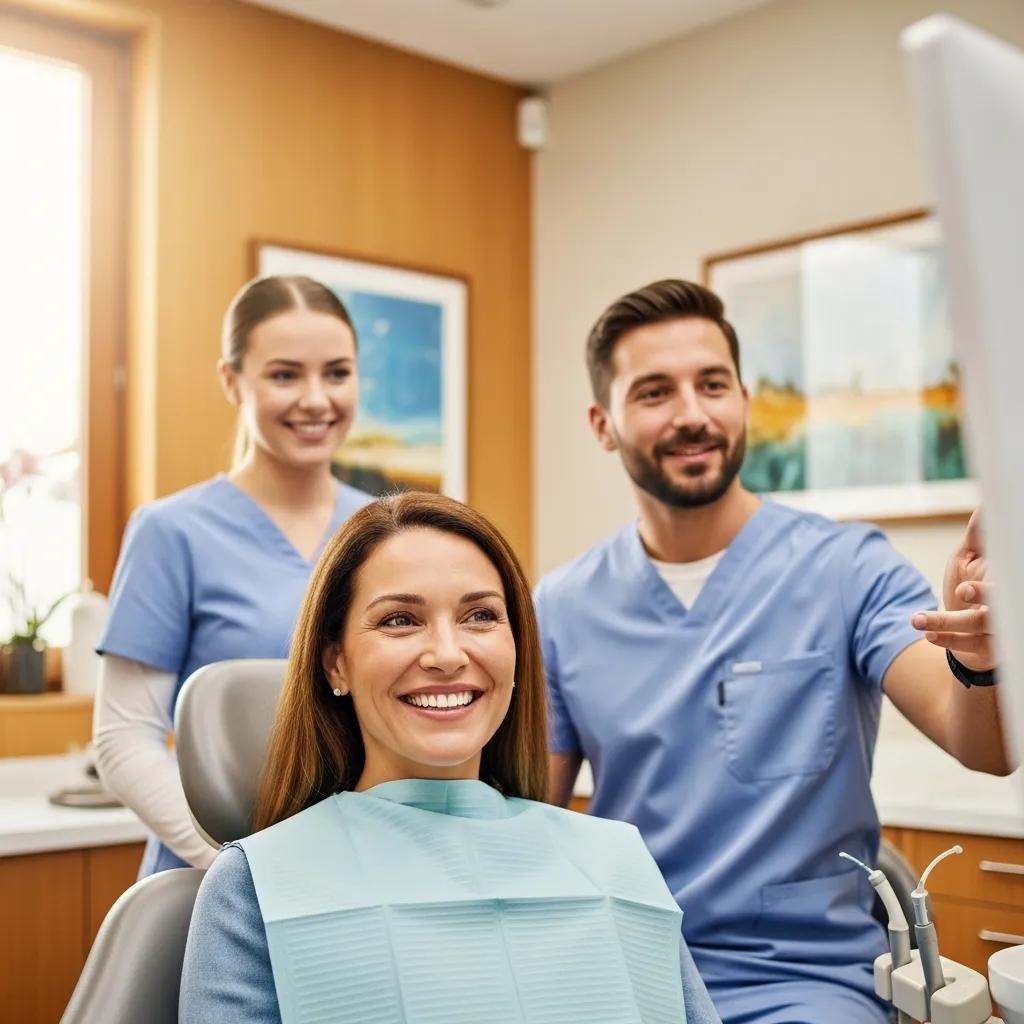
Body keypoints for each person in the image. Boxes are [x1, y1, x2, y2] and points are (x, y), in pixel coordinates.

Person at [534, 279, 1012, 1024]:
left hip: (807, 983)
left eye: (712, 384)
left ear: (745, 400)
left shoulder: (848, 568)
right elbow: (529, 821)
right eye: (655, 392)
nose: (693, 414)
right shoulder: (560, 607)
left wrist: (981, 659)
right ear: (604, 423)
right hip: (628, 976)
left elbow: (983, 744)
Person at [178, 492, 722, 1024]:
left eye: (481, 616)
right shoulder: (255, 886)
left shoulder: (616, 864)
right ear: (335, 664)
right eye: (399, 620)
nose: (447, 655)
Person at [93, 275, 373, 877]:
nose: (316, 399)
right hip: (213, 877)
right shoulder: (173, 532)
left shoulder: (383, 531)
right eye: (284, 375)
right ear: (231, 380)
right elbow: (123, 739)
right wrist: (240, 868)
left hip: (360, 869)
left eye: (337, 373)